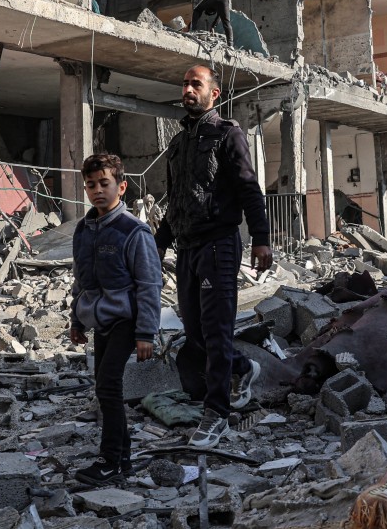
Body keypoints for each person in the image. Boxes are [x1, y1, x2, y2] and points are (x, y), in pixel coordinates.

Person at [155, 65, 273, 448]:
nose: (187, 88)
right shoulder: (177, 145)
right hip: (187, 248)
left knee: (217, 329)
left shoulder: (228, 135)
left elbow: (248, 188)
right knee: (196, 333)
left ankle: (216, 415)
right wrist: (159, 243)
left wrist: (261, 238)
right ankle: (242, 368)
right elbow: (176, 202)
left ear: (214, 94)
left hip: (219, 245)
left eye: (196, 84)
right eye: (185, 82)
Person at [68, 153, 162, 486]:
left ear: (121, 187)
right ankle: (122, 460)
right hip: (99, 322)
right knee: (106, 390)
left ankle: (108, 460)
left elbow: (150, 284)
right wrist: (76, 320)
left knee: (108, 387)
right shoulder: (83, 229)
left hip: (127, 320)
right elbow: (81, 279)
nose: (97, 190)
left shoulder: (134, 231)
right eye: (90, 185)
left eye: (104, 183)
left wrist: (146, 333)